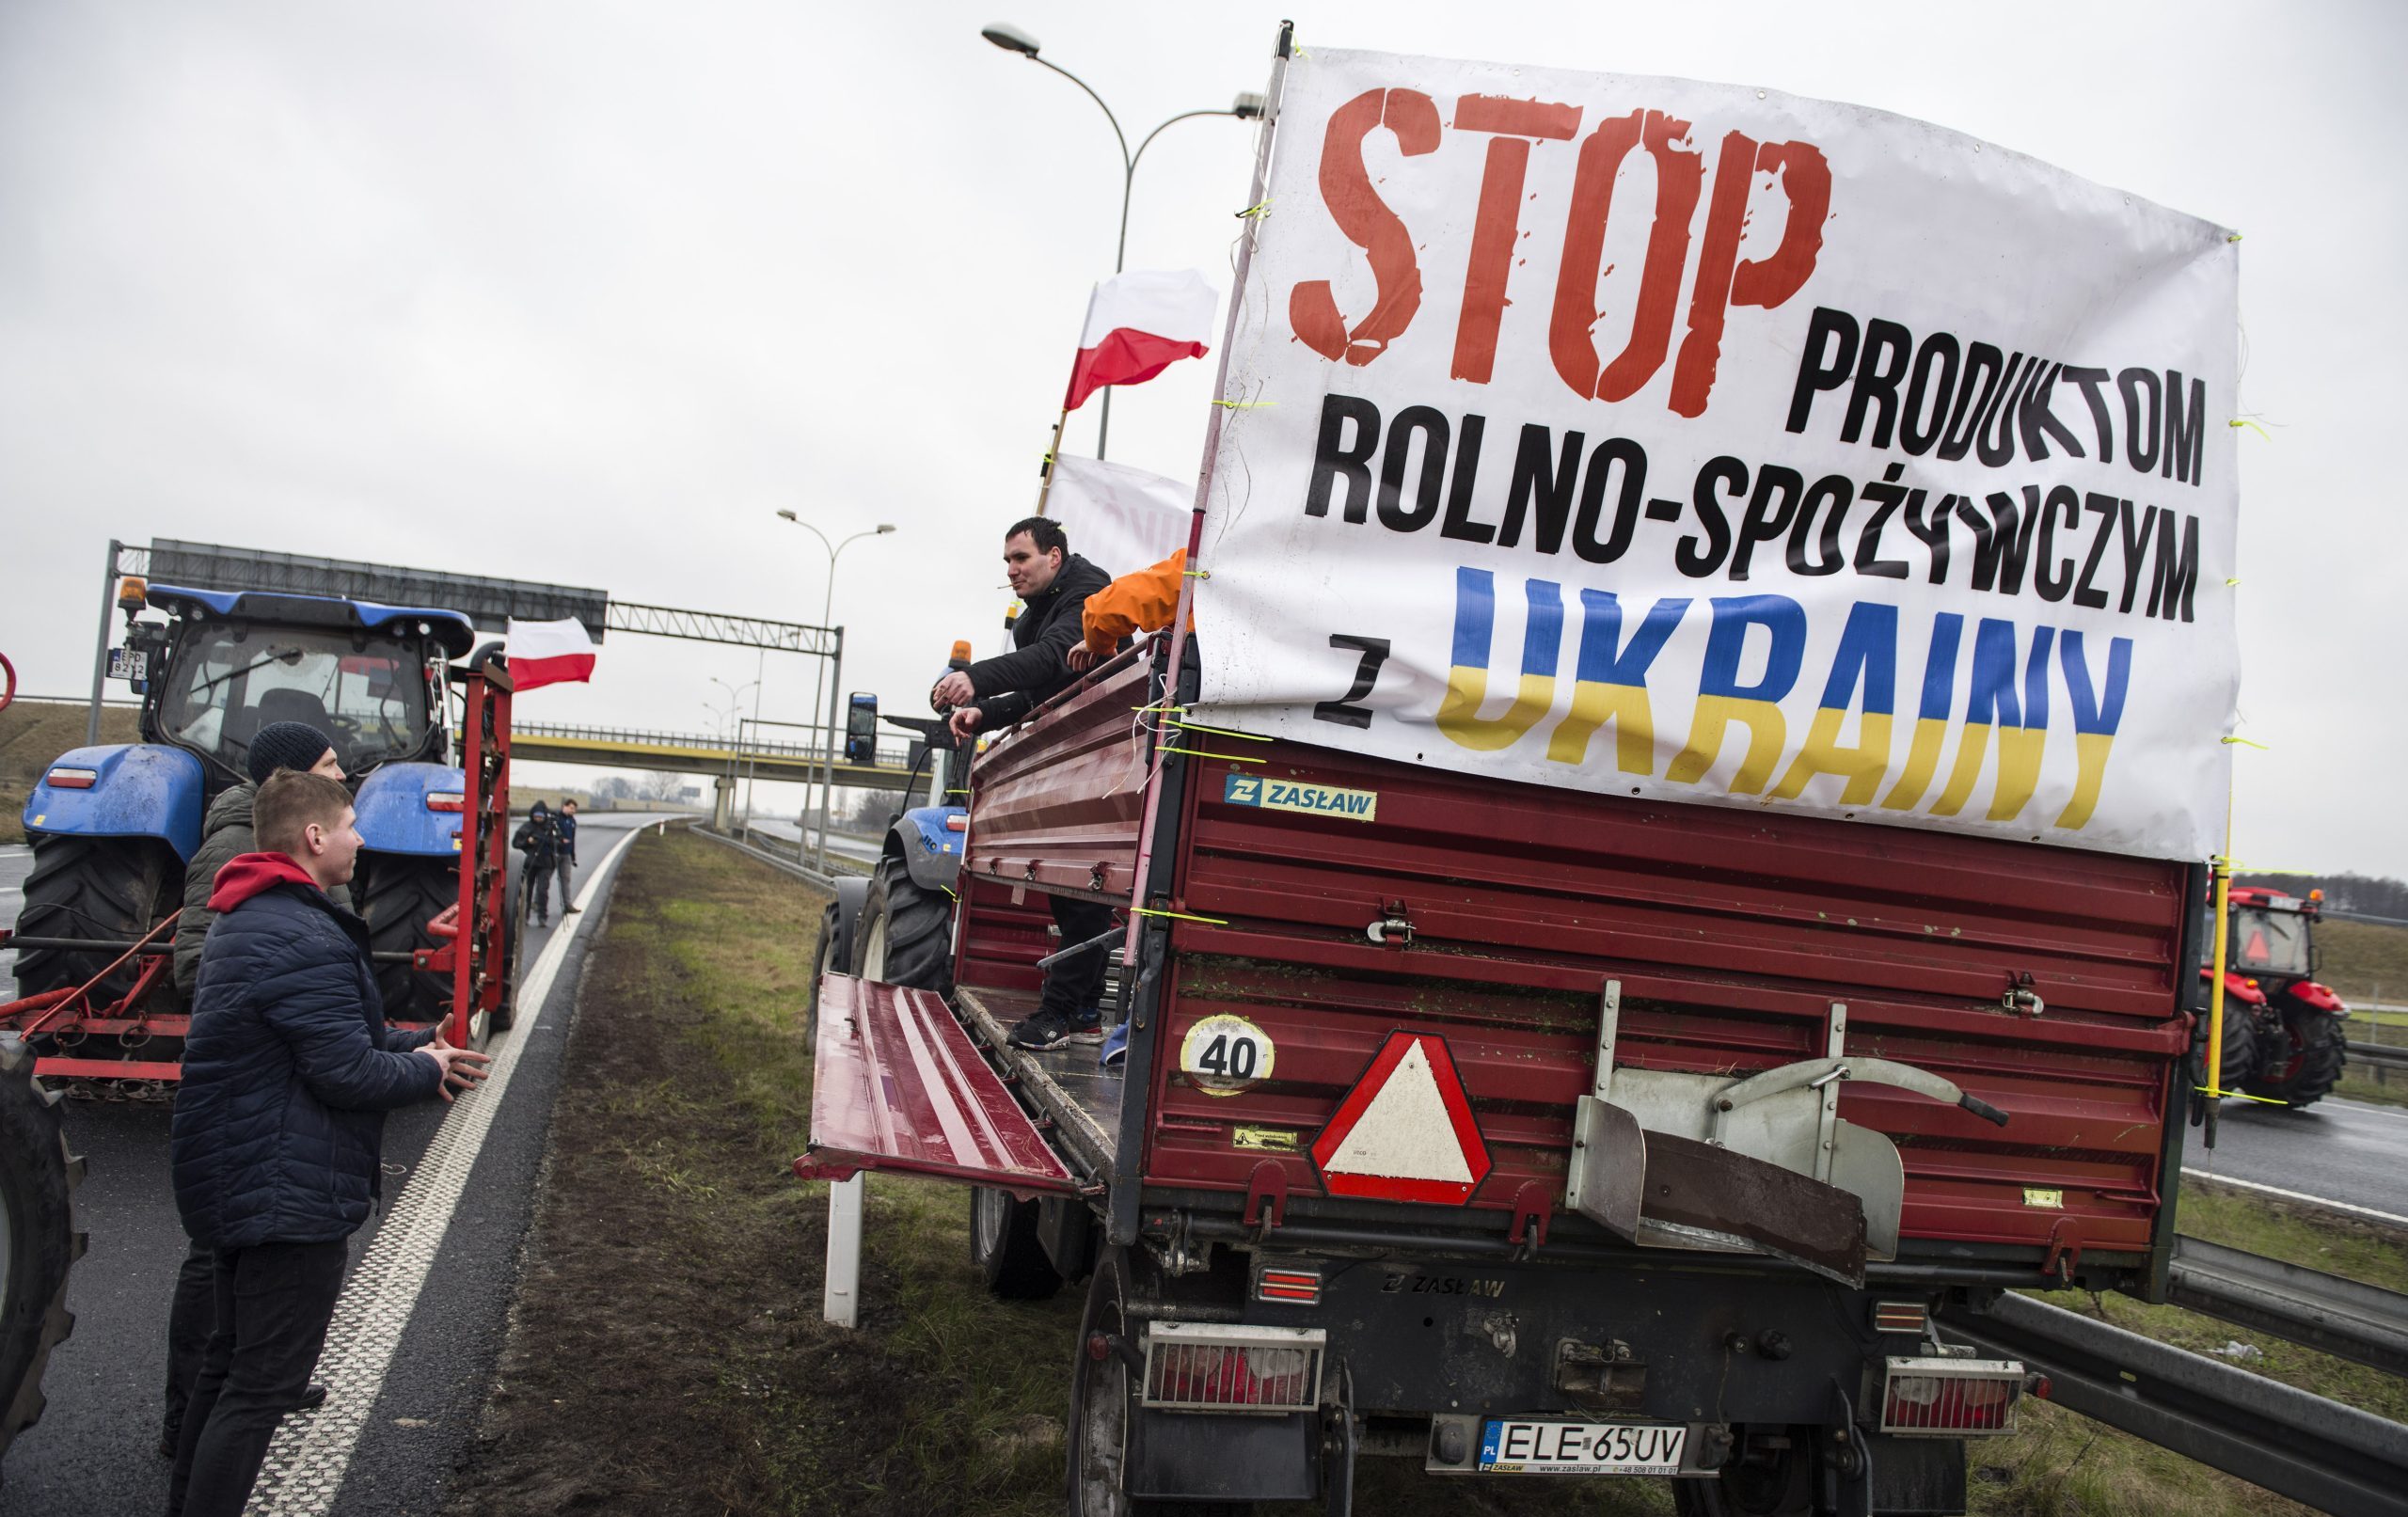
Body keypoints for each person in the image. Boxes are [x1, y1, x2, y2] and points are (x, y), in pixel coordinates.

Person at [167, 771, 489, 1517]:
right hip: (286, 1193)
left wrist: (418, 1043)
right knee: (261, 1387)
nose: (361, 836)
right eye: (350, 823)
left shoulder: (254, 917)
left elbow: (325, 1033)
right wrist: (423, 1070)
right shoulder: (303, 931)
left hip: (241, 1173)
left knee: (227, 1368)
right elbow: (344, 1070)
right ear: (314, 837)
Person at [161, 720, 348, 1458]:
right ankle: (188, 1416)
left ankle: (257, 1375)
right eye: (332, 766)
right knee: (215, 1259)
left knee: (251, 1253)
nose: (346, 776)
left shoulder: (279, 844)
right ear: (296, 781)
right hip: (246, 1083)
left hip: (274, 1080)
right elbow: (197, 962)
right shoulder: (236, 847)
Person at [927, 516, 1112, 1051]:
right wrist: (983, 711)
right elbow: (1038, 695)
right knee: (1067, 890)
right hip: (1068, 756)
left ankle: (1061, 1013)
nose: (1011, 570)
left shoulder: (1087, 590)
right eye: (1006, 562)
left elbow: (1056, 657)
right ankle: (1080, 1012)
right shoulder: (1030, 620)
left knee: (1084, 891)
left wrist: (976, 677)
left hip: (1103, 754)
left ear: (1054, 557)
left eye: (1021, 558)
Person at [1067, 549, 1195, 1071]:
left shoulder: (1224, 552)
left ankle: (1137, 1026)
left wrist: (1100, 644)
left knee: (1168, 883)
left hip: (1204, 744)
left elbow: (1105, 611)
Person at [514, 800, 563, 926]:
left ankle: (542, 916)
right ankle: (524, 916)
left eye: (541, 816)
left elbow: (559, 843)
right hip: (529, 863)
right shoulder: (527, 827)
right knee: (527, 891)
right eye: (536, 816)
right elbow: (516, 843)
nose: (538, 819)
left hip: (546, 864)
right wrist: (527, 841)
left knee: (542, 890)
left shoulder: (551, 828)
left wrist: (547, 840)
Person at [554, 799, 581, 914]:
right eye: (571, 808)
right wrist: (560, 840)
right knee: (544, 879)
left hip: (566, 854)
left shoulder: (572, 821)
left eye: (574, 809)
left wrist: (573, 855)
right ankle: (537, 903)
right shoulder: (556, 819)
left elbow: (573, 839)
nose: (573, 811)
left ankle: (567, 905)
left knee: (566, 879)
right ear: (564, 806)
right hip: (554, 852)